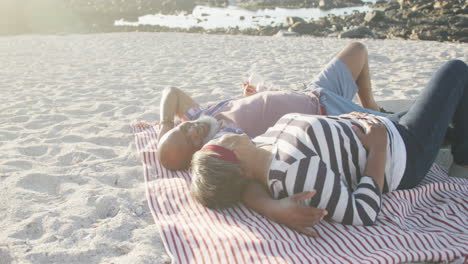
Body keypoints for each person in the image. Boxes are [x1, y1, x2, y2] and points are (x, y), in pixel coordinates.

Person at [190, 60, 468, 232]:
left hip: (381, 126)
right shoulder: (295, 172)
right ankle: (463, 164)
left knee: (447, 111)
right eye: (220, 141)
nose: (222, 135)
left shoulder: (260, 150)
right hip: (402, 151)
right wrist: (379, 148)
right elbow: (362, 213)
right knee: (455, 71)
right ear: (235, 158)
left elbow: (241, 186)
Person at [157, 42, 389, 171]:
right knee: (394, 127)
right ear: (197, 153)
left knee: (357, 50)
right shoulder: (224, 141)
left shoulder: (201, 116)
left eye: (183, 129)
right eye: (192, 141)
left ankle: (372, 105)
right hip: (326, 112)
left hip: (313, 91)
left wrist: (164, 128)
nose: (193, 130)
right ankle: (372, 113)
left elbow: (172, 93)